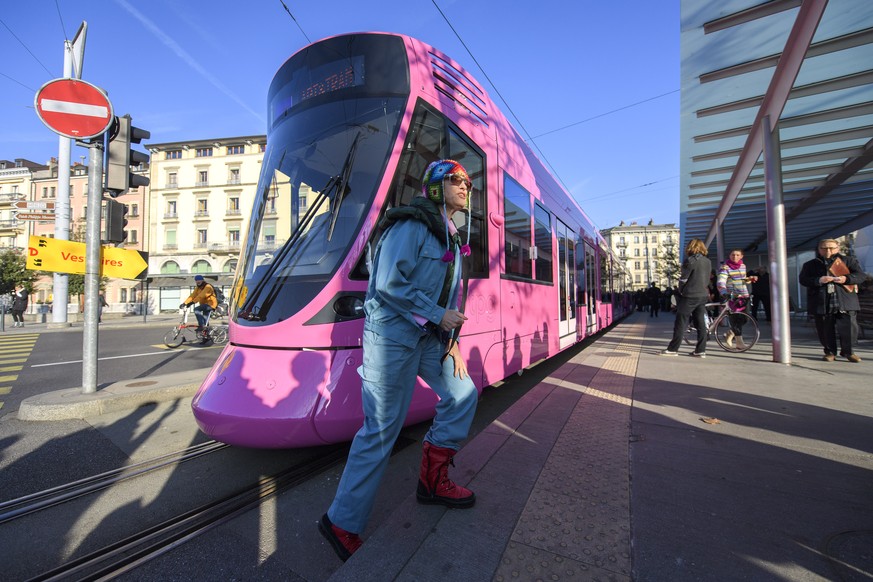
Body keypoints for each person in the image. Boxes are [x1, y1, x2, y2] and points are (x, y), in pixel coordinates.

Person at [319, 160, 479, 562]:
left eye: (468, 183)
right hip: (391, 337)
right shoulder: (410, 225)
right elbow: (388, 283)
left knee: (462, 393)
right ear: (435, 187)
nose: (465, 187)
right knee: (381, 429)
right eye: (455, 180)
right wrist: (438, 314)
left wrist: (452, 339)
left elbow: (448, 296)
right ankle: (341, 521)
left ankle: (432, 480)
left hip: (428, 337)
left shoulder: (450, 235)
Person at [799, 239, 865, 362]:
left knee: (850, 328)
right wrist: (818, 280)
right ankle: (830, 352)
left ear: (837, 248)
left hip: (845, 300)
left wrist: (846, 279)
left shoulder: (848, 261)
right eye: (824, 248)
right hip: (822, 301)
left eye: (831, 248)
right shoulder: (810, 264)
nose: (828, 250)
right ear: (819, 249)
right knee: (825, 329)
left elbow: (861, 276)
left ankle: (849, 352)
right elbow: (803, 280)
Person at [661, 238, 712, 357]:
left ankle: (673, 349)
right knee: (701, 324)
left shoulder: (690, 261)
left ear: (690, 247)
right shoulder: (707, 261)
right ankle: (700, 350)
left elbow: (684, 279)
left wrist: (681, 290)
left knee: (681, 322)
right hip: (702, 295)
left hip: (690, 295)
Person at [716, 249, 757, 349]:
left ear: (741, 256)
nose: (735, 257)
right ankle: (739, 342)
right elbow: (721, 281)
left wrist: (749, 279)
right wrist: (724, 293)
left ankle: (730, 333)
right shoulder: (725, 267)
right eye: (732, 255)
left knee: (745, 319)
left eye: (737, 255)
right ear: (729, 256)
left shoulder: (743, 266)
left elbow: (742, 279)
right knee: (735, 319)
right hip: (732, 296)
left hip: (744, 295)